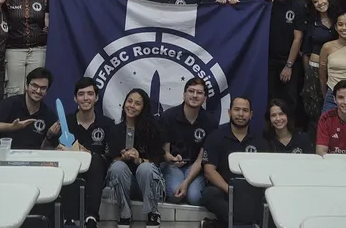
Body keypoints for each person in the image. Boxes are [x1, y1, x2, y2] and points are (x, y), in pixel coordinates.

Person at [51, 78, 115, 227]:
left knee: (96, 160)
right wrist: (56, 148)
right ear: (75, 98)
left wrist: (87, 154)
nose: (86, 98)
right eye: (81, 94)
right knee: (68, 162)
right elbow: (52, 150)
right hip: (71, 171)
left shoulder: (107, 124)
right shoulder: (65, 122)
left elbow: (110, 156)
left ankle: (91, 218)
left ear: (96, 97)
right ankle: (69, 220)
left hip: (98, 173)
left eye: (90, 94)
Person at [200, 97, 268, 228]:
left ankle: (215, 226)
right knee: (209, 194)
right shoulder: (216, 136)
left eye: (245, 110)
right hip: (225, 191)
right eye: (237, 109)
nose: (241, 114)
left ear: (251, 115)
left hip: (252, 194)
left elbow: (265, 172)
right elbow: (209, 171)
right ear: (229, 112)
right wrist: (231, 191)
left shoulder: (261, 141)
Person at [105, 89, 164, 228]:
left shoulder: (152, 130)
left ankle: (153, 213)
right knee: (117, 167)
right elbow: (110, 161)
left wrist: (139, 160)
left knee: (146, 167)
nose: (131, 106)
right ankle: (125, 214)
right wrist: (123, 158)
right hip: (125, 184)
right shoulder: (115, 130)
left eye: (137, 103)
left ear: (143, 108)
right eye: (129, 101)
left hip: (146, 184)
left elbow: (157, 162)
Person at [159, 78, 216, 206]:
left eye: (199, 93)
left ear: (205, 98)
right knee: (175, 194)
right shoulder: (168, 117)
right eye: (191, 91)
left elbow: (200, 160)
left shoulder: (210, 122)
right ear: (184, 94)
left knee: (194, 198)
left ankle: (188, 185)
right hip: (172, 165)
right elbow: (165, 154)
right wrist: (172, 159)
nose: (195, 96)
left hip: (195, 167)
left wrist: (187, 182)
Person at [0, 68, 60, 150]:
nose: (38, 91)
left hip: (33, 159)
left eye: (43, 88)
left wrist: (50, 135)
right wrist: (10, 127)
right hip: (5, 156)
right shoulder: (10, 103)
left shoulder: (50, 115)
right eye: (35, 86)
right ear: (26, 86)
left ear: (47, 91)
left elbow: (46, 149)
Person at [264, 0, 306, 122]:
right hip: (268, 62)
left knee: (290, 101)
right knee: (270, 100)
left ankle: (290, 136)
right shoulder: (265, 4)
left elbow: (298, 38)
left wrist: (288, 66)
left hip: (289, 62)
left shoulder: (297, 5)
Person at [4, 0, 49, 97]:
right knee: (14, 89)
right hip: (14, 51)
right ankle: (15, 117)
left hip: (38, 50)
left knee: (36, 89)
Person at [301, 0, 338, 131]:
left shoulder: (339, 20)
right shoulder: (311, 22)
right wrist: (308, 74)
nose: (320, 3)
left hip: (336, 70)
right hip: (314, 71)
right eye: (315, 1)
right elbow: (306, 52)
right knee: (315, 111)